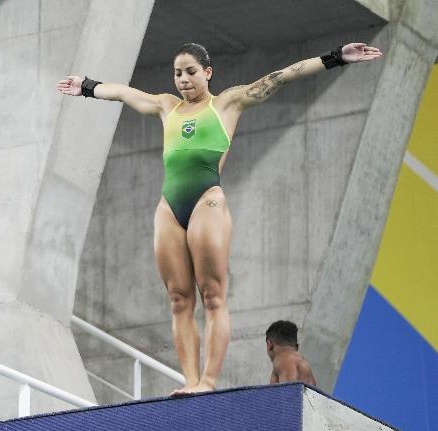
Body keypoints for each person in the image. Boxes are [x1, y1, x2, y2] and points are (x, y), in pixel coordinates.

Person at [58, 42, 381, 395]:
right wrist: (86, 86)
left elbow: (282, 76)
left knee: (212, 295)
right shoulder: (166, 106)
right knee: (179, 299)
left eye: (191, 72)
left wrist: (335, 58)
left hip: (206, 202)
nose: (183, 80)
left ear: (208, 72)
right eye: (178, 73)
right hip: (169, 207)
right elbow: (122, 92)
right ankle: (191, 380)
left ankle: (209, 381)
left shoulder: (227, 102)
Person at [266, 320, 316, 386]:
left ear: (270, 344)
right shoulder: (301, 362)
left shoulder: (283, 359)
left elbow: (289, 392)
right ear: (297, 347)